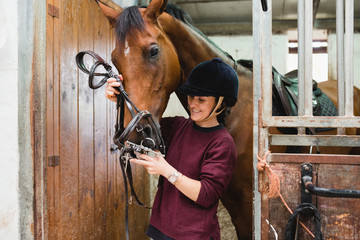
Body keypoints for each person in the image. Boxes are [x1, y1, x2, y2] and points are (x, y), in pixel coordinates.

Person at [105, 58, 239, 240]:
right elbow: (141, 127)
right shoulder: (176, 125)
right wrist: (120, 99)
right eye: (191, 97)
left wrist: (167, 171)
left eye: (201, 99)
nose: (192, 104)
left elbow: (207, 194)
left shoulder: (223, 143)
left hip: (194, 235)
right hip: (161, 229)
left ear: (221, 103)